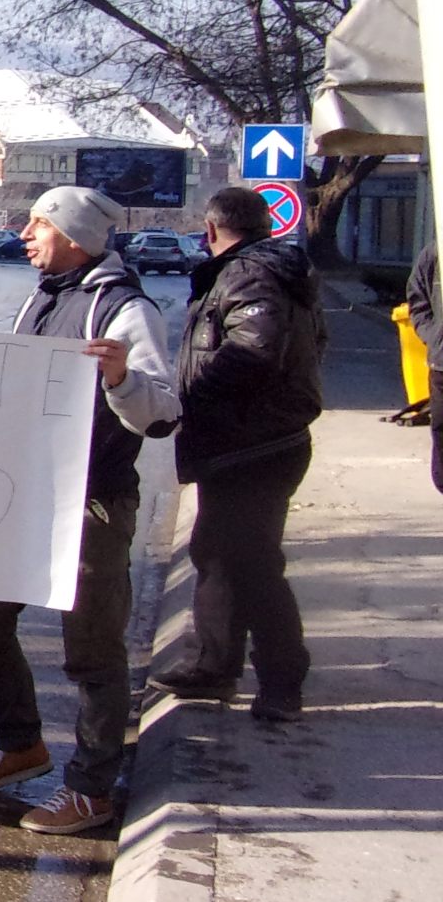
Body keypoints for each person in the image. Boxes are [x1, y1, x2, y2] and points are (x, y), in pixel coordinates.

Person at [0, 186, 180, 834]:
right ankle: (20, 742)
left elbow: (162, 413)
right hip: (22, 496)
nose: (24, 234)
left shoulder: (124, 308)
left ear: (75, 236)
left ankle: (91, 788)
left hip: (91, 505)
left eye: (38, 224)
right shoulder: (43, 297)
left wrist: (120, 381)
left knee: (92, 651)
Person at [150, 185, 325, 722]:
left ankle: (280, 682)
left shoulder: (246, 274)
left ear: (211, 230)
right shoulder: (276, 268)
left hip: (253, 443)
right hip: (257, 439)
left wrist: (192, 397)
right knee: (217, 553)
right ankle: (213, 664)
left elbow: (253, 348)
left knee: (252, 565)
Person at [409, 241, 443, 492]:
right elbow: (417, 299)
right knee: (441, 427)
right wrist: (434, 336)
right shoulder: (435, 254)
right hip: (442, 364)